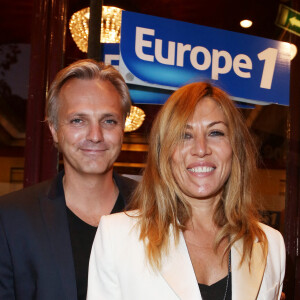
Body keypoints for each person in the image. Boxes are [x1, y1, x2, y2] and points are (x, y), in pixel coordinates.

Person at [87, 82, 286, 300]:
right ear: (165, 152)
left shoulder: (270, 244)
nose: (201, 149)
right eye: (185, 135)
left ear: (235, 148)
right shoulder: (117, 237)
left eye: (216, 132)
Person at [0, 59, 137, 300]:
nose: (95, 135)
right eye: (78, 120)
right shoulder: (11, 218)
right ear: (54, 129)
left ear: (122, 128)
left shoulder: (158, 207)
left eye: (109, 121)